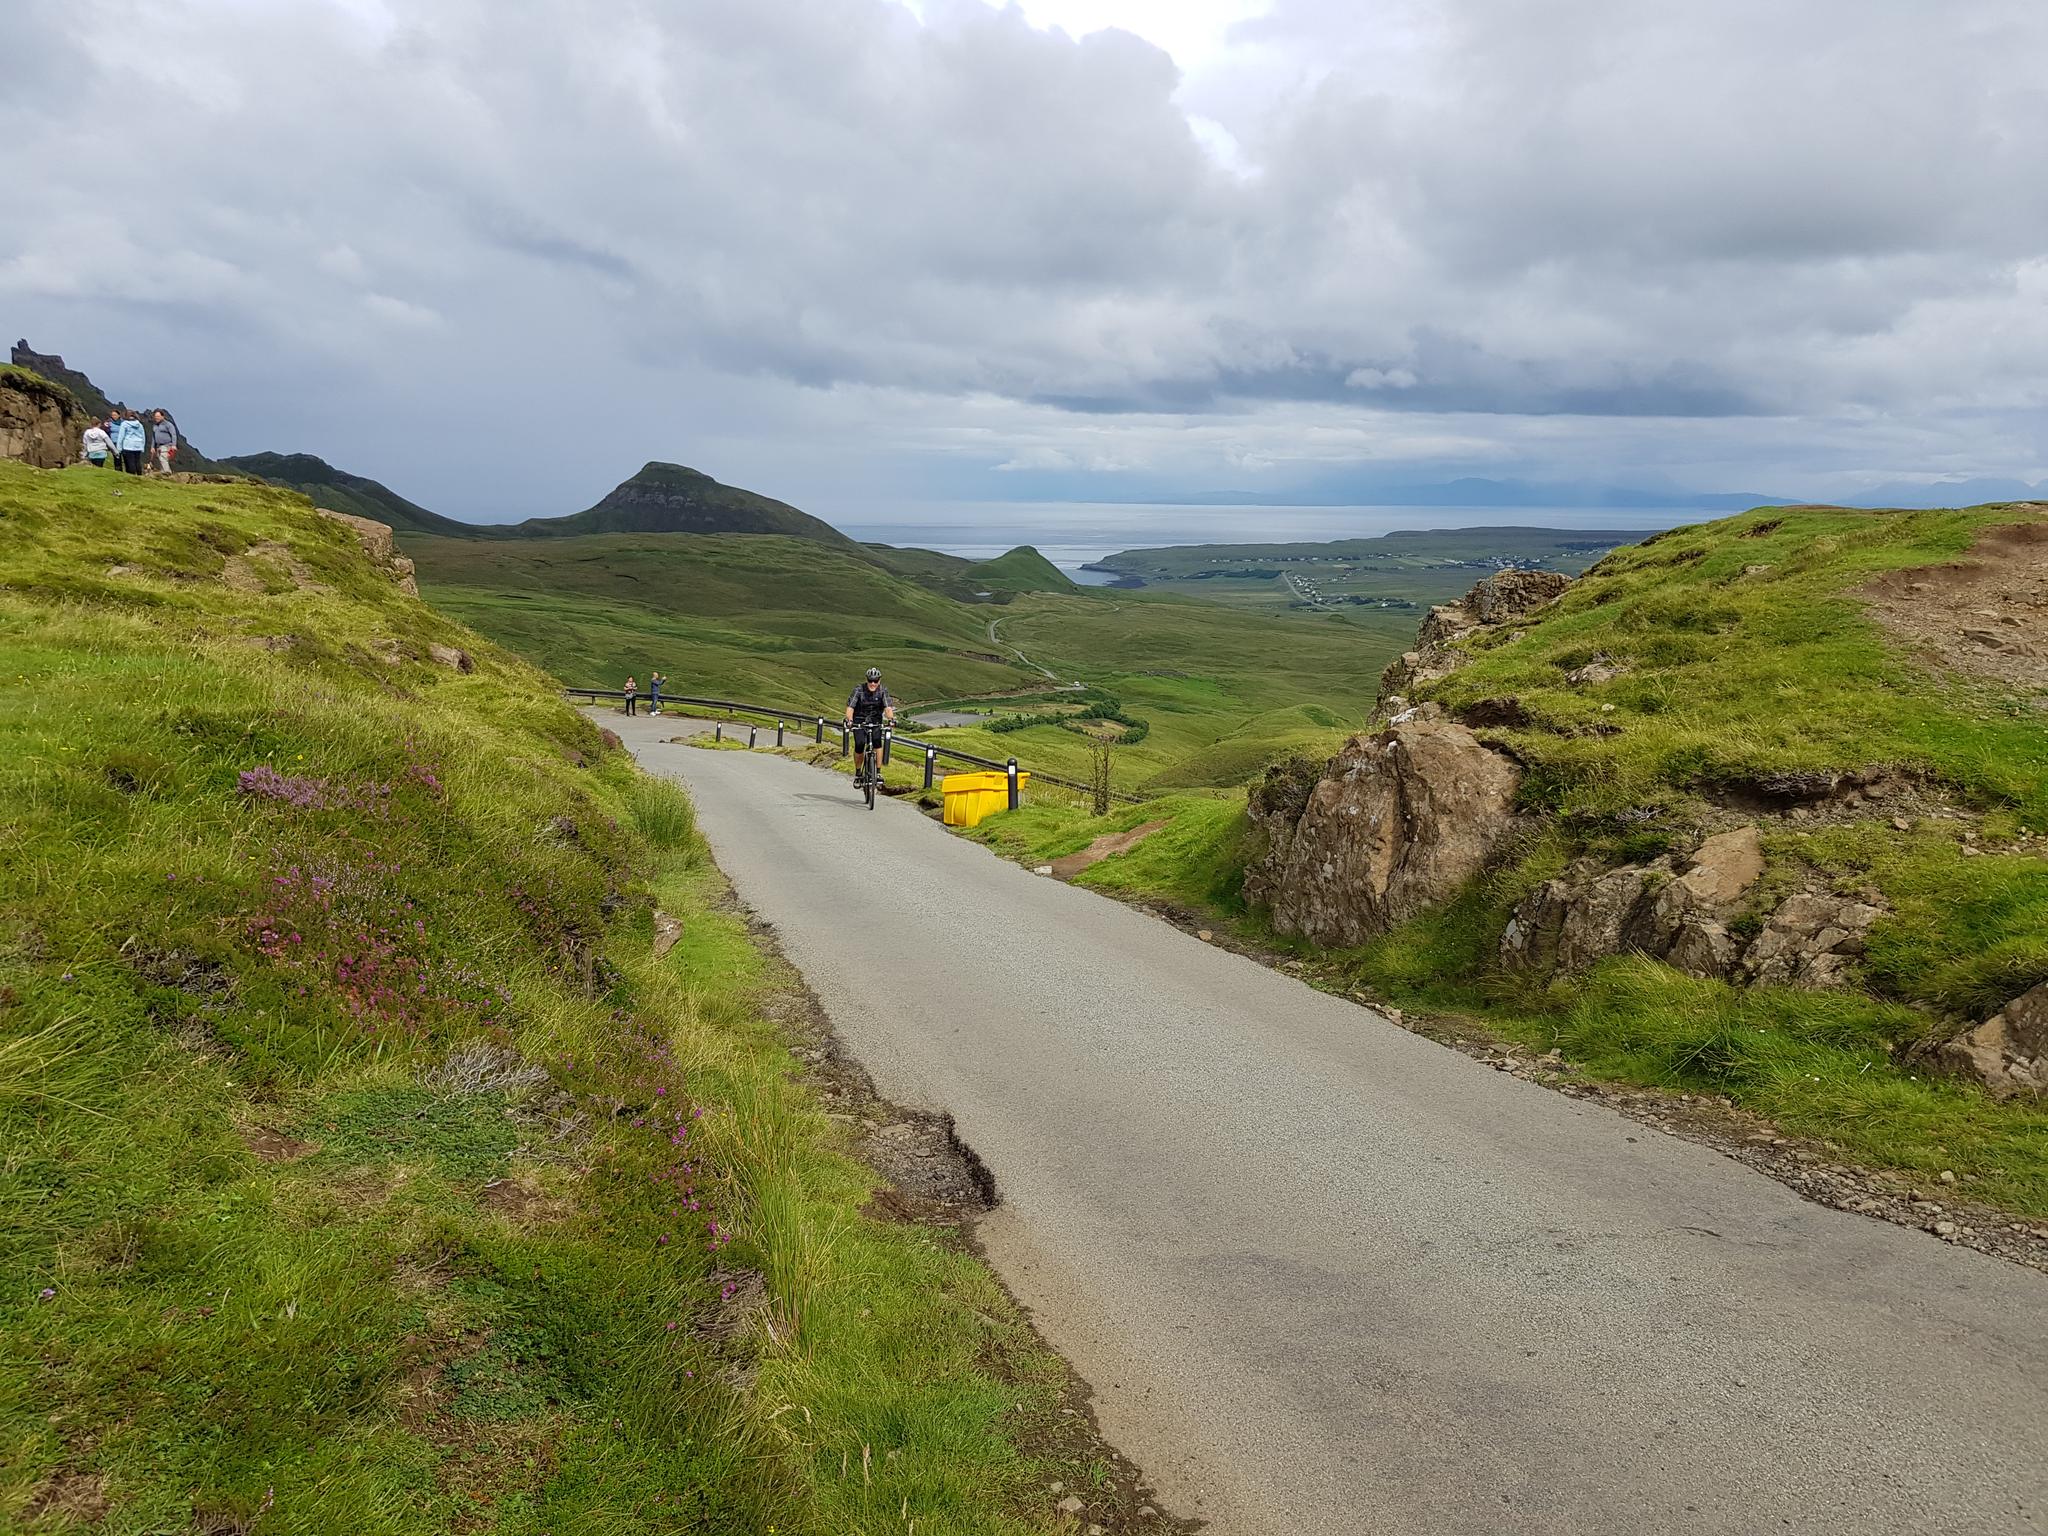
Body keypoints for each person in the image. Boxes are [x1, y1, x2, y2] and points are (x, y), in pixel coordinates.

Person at [844, 667, 894, 784]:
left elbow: (887, 708)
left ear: (879, 681)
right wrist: (850, 720)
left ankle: (878, 771)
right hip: (859, 719)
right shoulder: (858, 690)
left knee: (877, 743)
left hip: (875, 719)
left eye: (875, 681)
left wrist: (891, 719)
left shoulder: (882, 690)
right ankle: (858, 772)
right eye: (870, 680)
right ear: (867, 680)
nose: (873, 683)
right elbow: (850, 707)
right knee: (860, 744)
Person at [150, 410, 178, 474]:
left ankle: (167, 473)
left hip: (167, 445)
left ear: (162, 416)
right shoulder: (155, 426)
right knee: (160, 459)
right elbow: (153, 437)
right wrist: (152, 447)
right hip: (158, 446)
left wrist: (174, 445)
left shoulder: (168, 425)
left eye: (158, 416)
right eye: (155, 416)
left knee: (163, 458)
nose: (156, 418)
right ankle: (163, 473)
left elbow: (173, 435)